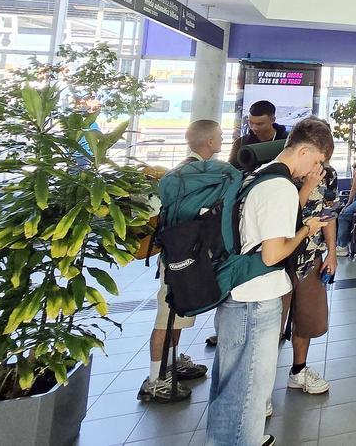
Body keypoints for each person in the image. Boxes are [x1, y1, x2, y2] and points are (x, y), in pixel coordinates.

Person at [206, 118, 333, 446]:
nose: (315, 169)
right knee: (249, 390)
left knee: (229, 385)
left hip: (238, 293)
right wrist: (307, 230)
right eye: (316, 161)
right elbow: (272, 254)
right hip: (257, 299)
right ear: (304, 150)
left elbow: (273, 225)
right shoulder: (279, 187)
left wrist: (303, 198)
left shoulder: (261, 175)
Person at [138, 119, 220, 403]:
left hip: (182, 253)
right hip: (181, 256)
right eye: (218, 136)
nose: (221, 139)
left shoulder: (181, 173)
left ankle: (171, 364)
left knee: (178, 314)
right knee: (167, 316)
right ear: (209, 142)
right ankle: (154, 379)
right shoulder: (193, 175)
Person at [280, 163, 339, 397]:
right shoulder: (279, 173)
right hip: (277, 260)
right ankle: (258, 391)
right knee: (270, 325)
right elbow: (284, 217)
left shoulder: (328, 174)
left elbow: (328, 214)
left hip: (311, 257)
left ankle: (299, 369)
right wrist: (306, 186)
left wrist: (332, 253)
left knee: (307, 318)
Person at [228, 100, 289, 168]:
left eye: (260, 124)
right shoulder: (240, 143)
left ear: (273, 120)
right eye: (251, 122)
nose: (254, 128)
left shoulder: (288, 143)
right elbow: (231, 170)